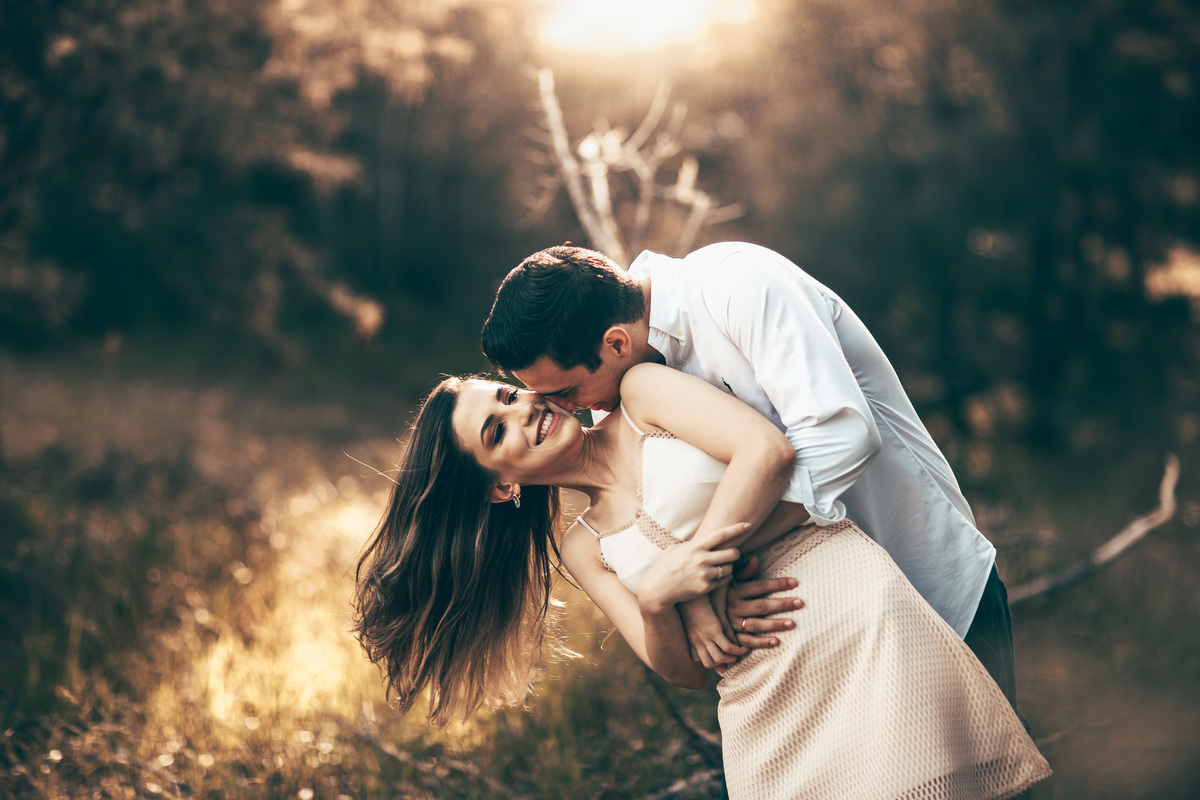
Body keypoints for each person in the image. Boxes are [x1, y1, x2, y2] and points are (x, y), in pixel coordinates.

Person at [353, 364, 1050, 799]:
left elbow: (774, 458)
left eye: (507, 395)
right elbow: (681, 667)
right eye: (496, 432)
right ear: (500, 487)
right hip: (764, 705)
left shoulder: (642, 396)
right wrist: (661, 597)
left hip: (858, 623)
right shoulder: (583, 544)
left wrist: (700, 581)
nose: (521, 411)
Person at [480, 242, 1024, 715]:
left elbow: (841, 439)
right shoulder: (617, 400)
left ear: (616, 343)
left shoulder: (737, 286)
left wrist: (709, 570)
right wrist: (679, 594)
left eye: (567, 393)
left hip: (926, 580)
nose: (570, 410)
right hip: (820, 654)